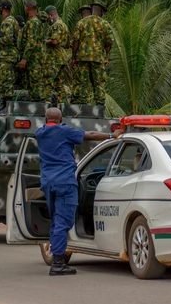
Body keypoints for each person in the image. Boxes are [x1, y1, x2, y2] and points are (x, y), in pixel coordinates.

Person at [35, 108, 124, 276]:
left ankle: (57, 259)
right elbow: (89, 134)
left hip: (48, 183)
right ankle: (58, 264)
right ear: (61, 119)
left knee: (56, 222)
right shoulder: (65, 131)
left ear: (45, 119)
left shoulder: (39, 133)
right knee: (63, 223)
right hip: (65, 183)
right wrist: (112, 136)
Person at [70, 1, 115, 105]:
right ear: (101, 11)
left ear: (92, 9)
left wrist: (73, 57)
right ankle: (99, 106)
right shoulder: (104, 24)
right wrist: (105, 55)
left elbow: (76, 41)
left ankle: (81, 106)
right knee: (99, 83)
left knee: (81, 82)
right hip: (98, 58)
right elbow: (110, 42)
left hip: (82, 58)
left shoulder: (82, 22)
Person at [19, 0, 49, 102]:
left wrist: (24, 58)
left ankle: (40, 104)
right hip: (36, 57)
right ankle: (35, 103)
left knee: (36, 83)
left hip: (34, 58)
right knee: (33, 83)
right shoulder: (37, 22)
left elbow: (31, 42)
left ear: (27, 8)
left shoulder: (33, 23)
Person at [0, 0, 21, 104]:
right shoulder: (12, 20)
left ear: (2, 8)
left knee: (6, 81)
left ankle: (7, 105)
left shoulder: (8, 21)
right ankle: (5, 104)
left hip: (7, 55)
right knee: (4, 80)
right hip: (8, 54)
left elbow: (8, 38)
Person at [44, 5, 69, 105]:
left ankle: (46, 104)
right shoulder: (64, 25)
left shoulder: (56, 25)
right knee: (59, 84)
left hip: (54, 58)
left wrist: (44, 41)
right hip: (62, 58)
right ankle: (63, 105)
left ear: (50, 15)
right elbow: (67, 44)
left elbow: (54, 41)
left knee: (47, 81)